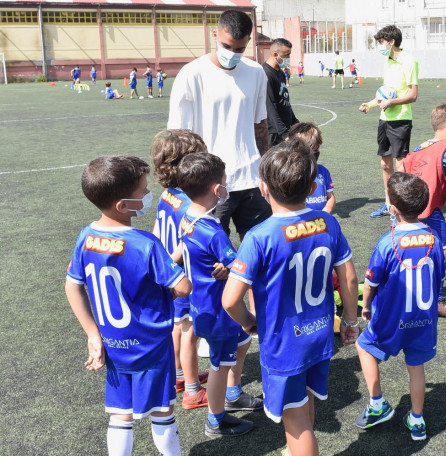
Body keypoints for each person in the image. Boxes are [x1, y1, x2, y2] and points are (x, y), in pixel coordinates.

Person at [222, 140, 360, 456]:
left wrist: (249, 323)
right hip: (321, 332)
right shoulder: (329, 222)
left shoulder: (259, 237)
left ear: (262, 189)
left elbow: (230, 300)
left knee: (296, 423)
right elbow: (350, 278)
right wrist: (350, 320)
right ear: (312, 187)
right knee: (304, 402)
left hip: (285, 344)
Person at [65, 155, 191, 456]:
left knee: (120, 413)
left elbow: (73, 285)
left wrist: (93, 335)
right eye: (143, 192)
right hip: (151, 344)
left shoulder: (87, 236)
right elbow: (182, 287)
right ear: (123, 205)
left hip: (113, 343)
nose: (148, 197)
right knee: (162, 410)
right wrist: (178, 255)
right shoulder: (145, 244)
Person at [355, 172, 446, 442]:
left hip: (393, 317)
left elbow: (371, 281)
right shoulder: (434, 237)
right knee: (416, 367)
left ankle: (377, 404)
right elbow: (439, 274)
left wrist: (366, 306)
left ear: (393, 209)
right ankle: (417, 420)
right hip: (424, 318)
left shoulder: (388, 242)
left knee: (364, 346)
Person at [176, 153, 262, 437]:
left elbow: (206, 259)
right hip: (217, 309)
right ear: (217, 189)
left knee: (242, 342)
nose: (227, 186)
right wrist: (231, 267)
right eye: (225, 181)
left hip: (205, 305)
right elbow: (238, 265)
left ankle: (234, 394)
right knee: (218, 366)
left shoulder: (188, 216)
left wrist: (222, 268)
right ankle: (216, 420)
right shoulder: (212, 230)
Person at [167, 9, 271, 241]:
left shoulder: (256, 72)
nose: (232, 53)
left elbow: (260, 124)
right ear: (215, 34)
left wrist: (263, 172)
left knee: (260, 247)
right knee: (212, 257)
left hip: (251, 179)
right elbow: (178, 136)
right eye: (227, 46)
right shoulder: (191, 74)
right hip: (209, 182)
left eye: (239, 49)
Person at [150, 129, 210, 408]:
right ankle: (193, 390)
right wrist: (169, 265)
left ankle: (179, 376)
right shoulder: (190, 204)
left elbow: (157, 232)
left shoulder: (168, 194)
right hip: (185, 276)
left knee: (177, 327)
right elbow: (185, 245)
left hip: (171, 276)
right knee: (189, 331)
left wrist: (160, 264)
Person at [402, 103, 446, 319]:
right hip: (429, 210)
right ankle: (437, 299)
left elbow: (404, 169)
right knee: (444, 250)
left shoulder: (419, 148)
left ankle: (404, 294)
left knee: (408, 250)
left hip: (406, 209)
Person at [359, 25, 419, 218]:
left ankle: (402, 206)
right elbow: (385, 90)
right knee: (385, 164)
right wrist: (370, 104)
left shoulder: (409, 61)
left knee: (401, 164)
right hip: (384, 118)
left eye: (381, 42)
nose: (380, 46)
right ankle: (388, 203)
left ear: (391, 42)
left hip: (401, 119)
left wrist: (391, 102)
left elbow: (413, 94)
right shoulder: (387, 61)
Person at [287, 121, 336, 214]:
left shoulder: (323, 171)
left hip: (320, 220)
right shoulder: (289, 173)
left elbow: (331, 197)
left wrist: (326, 211)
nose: (314, 154)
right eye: (309, 151)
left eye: (316, 150)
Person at [262, 38, 299, 147]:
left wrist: (296, 123)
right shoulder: (266, 74)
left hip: (285, 129)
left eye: (289, 55)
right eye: (286, 55)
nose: (288, 58)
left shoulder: (281, 73)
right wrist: (284, 133)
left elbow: (285, 101)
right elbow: (269, 107)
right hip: (274, 133)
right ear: (275, 54)